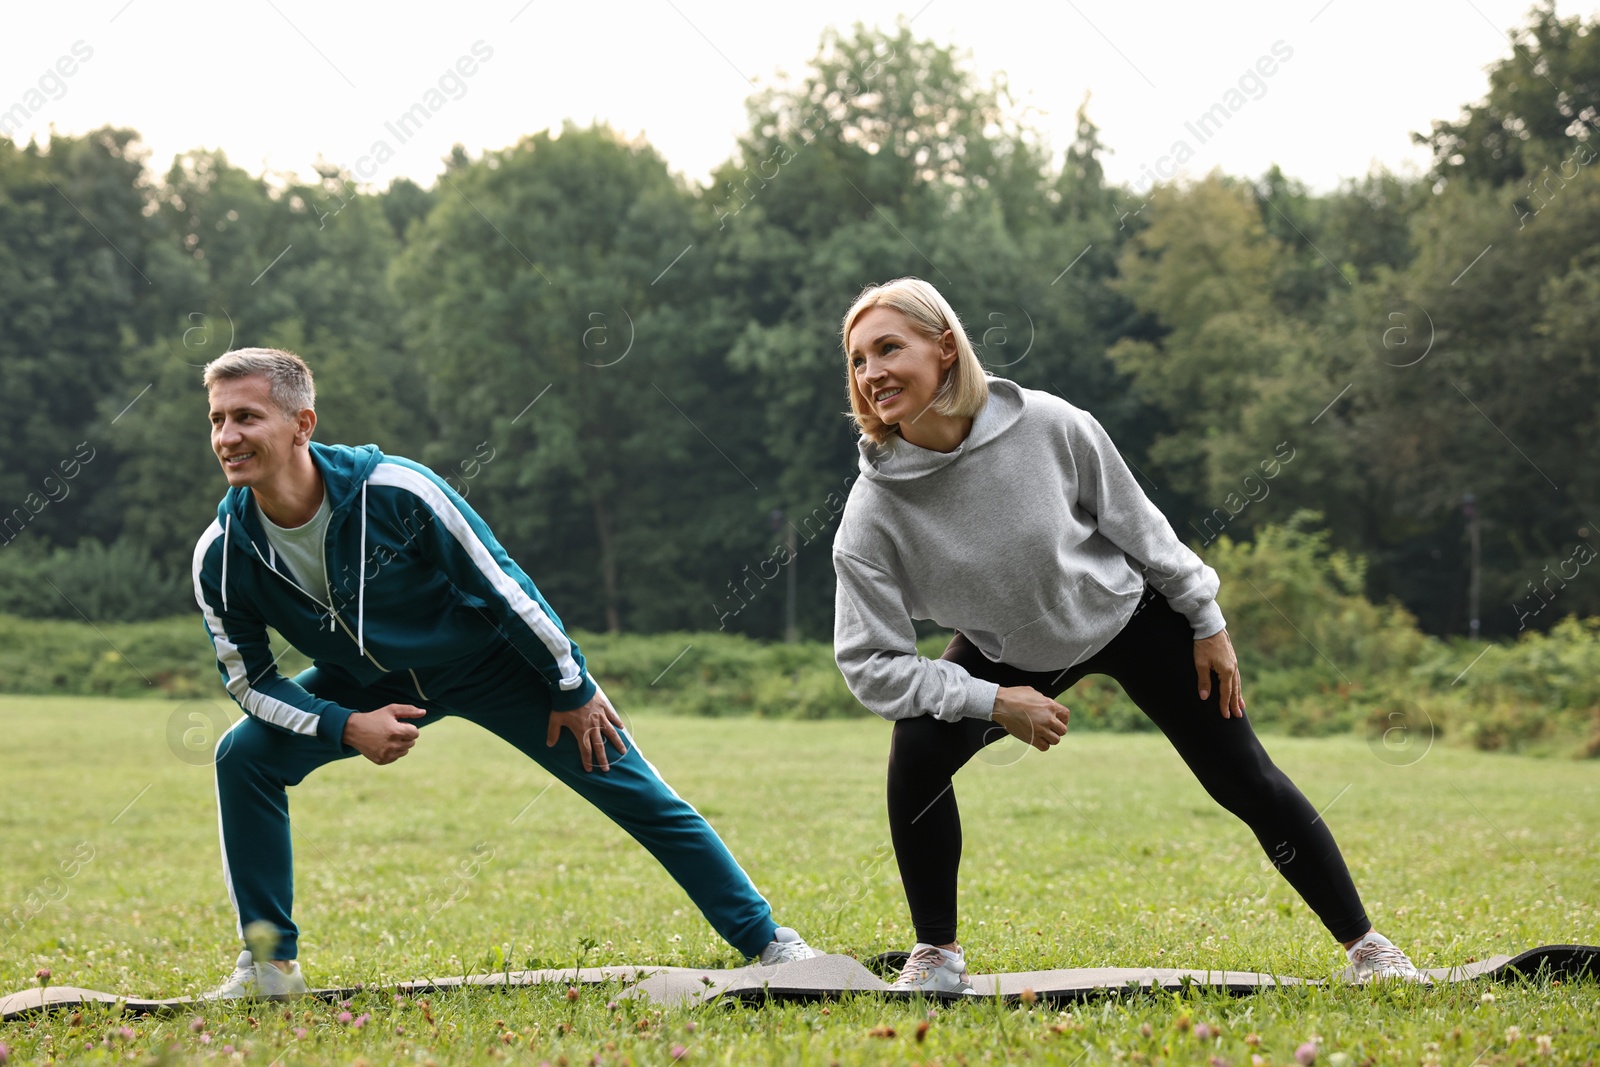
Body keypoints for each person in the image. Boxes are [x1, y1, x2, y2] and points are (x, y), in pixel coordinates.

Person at [829, 278, 1425, 993]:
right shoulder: (873, 511)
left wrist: (1206, 618)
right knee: (917, 754)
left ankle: (1368, 946)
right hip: (1003, 647)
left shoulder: (1047, 424)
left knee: (1244, 774)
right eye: (859, 360)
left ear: (946, 347)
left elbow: (1140, 525)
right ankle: (937, 954)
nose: (873, 373)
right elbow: (871, 664)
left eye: (888, 347)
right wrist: (992, 700)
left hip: (1126, 613)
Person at [191, 348, 816, 999]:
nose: (227, 437)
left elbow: (505, 587)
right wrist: (344, 724)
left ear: (302, 423)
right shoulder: (223, 553)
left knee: (632, 784)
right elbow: (250, 682)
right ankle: (270, 967)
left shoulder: (399, 491)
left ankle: (771, 941)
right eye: (217, 420)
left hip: (492, 665)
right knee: (243, 755)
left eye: (246, 416)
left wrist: (569, 686)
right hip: (365, 687)